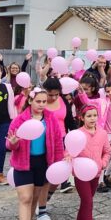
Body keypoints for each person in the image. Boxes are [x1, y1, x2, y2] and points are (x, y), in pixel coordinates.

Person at [6, 88, 65, 220]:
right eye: (38, 101)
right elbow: (10, 144)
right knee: (25, 197)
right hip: (23, 163)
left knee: (34, 198)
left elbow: (58, 142)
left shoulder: (51, 118)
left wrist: (58, 163)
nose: (41, 104)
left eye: (44, 101)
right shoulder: (20, 120)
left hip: (43, 164)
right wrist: (13, 142)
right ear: (31, 101)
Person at [73, 104, 111, 220]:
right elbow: (69, 151)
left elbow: (107, 151)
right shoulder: (77, 134)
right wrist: (69, 157)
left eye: (95, 115)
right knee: (88, 202)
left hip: (96, 173)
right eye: (89, 116)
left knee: (85, 203)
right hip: (81, 174)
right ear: (82, 118)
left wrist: (103, 163)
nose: (92, 118)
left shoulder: (102, 133)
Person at [39, 77, 71, 210]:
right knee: (44, 175)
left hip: (61, 140)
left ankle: (46, 197)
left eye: (56, 94)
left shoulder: (63, 101)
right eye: (50, 94)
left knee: (59, 174)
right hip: (43, 140)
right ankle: (41, 206)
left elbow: (69, 121)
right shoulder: (40, 102)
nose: (53, 97)